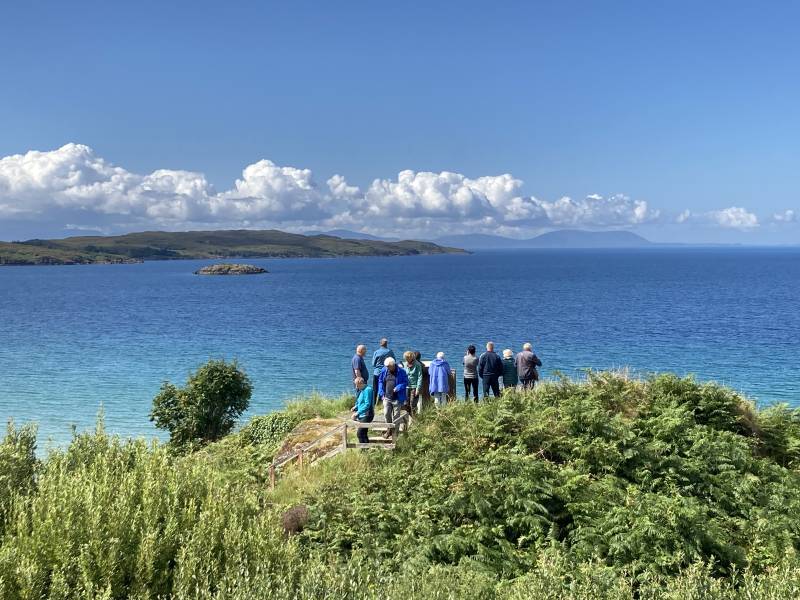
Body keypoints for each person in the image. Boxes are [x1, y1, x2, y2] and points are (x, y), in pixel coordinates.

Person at [377, 356, 407, 437]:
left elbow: (405, 382)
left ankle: (395, 433)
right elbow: (380, 381)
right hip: (387, 397)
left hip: (397, 398)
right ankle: (389, 430)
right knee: (386, 414)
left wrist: (398, 387)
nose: (387, 368)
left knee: (396, 417)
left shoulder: (401, 371)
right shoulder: (384, 370)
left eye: (388, 366)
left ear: (393, 365)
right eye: (386, 366)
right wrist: (381, 392)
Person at [351, 377, 374, 444]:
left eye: (357, 385)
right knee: (363, 433)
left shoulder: (368, 390)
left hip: (367, 415)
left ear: (361, 383)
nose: (356, 387)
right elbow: (361, 402)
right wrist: (355, 407)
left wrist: (357, 413)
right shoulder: (362, 390)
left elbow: (367, 404)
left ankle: (363, 448)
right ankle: (366, 448)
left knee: (360, 433)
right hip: (362, 415)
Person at [372, 338, 395, 404]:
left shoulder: (376, 352)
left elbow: (373, 364)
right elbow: (393, 361)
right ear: (386, 344)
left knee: (375, 389)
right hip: (386, 372)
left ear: (380, 344)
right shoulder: (390, 352)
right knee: (385, 388)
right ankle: (384, 402)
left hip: (377, 373)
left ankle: (374, 403)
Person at [404, 350, 424, 414]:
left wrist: (418, 388)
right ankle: (408, 417)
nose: (406, 360)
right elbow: (404, 374)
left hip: (414, 387)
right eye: (405, 358)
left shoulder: (417, 364)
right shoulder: (405, 364)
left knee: (413, 404)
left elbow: (420, 377)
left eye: (407, 358)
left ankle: (414, 418)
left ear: (411, 357)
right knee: (406, 404)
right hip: (407, 386)